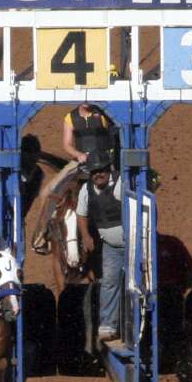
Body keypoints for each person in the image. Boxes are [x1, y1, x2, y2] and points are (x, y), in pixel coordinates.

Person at [76, 153, 124, 343]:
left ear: (108, 170)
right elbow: (81, 214)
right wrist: (86, 235)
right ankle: (107, 325)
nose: (98, 175)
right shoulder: (86, 190)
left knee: (135, 284)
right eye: (94, 172)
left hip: (131, 245)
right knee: (109, 282)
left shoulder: (121, 183)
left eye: (101, 171)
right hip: (110, 246)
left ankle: (136, 324)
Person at [41, 103, 119, 198]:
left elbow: (115, 135)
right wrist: (79, 155)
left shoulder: (103, 114)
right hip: (81, 160)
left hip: (104, 160)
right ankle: (46, 211)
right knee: (48, 191)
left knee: (118, 186)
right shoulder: (70, 117)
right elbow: (67, 145)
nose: (86, 101)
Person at [0, 134, 45, 224]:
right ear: (22, 154)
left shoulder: (38, 174)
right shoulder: (4, 168)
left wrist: (19, 220)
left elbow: (29, 201)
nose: (32, 164)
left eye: (35, 160)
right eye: (30, 160)